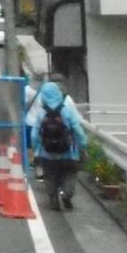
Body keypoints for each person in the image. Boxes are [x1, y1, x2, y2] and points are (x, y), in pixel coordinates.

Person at [31, 80, 87, 210]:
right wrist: (83, 144)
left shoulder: (41, 113)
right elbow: (78, 130)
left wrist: (36, 148)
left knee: (50, 177)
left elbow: (34, 135)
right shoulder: (67, 110)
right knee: (70, 174)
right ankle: (66, 195)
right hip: (68, 153)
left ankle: (53, 200)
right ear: (58, 93)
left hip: (47, 153)